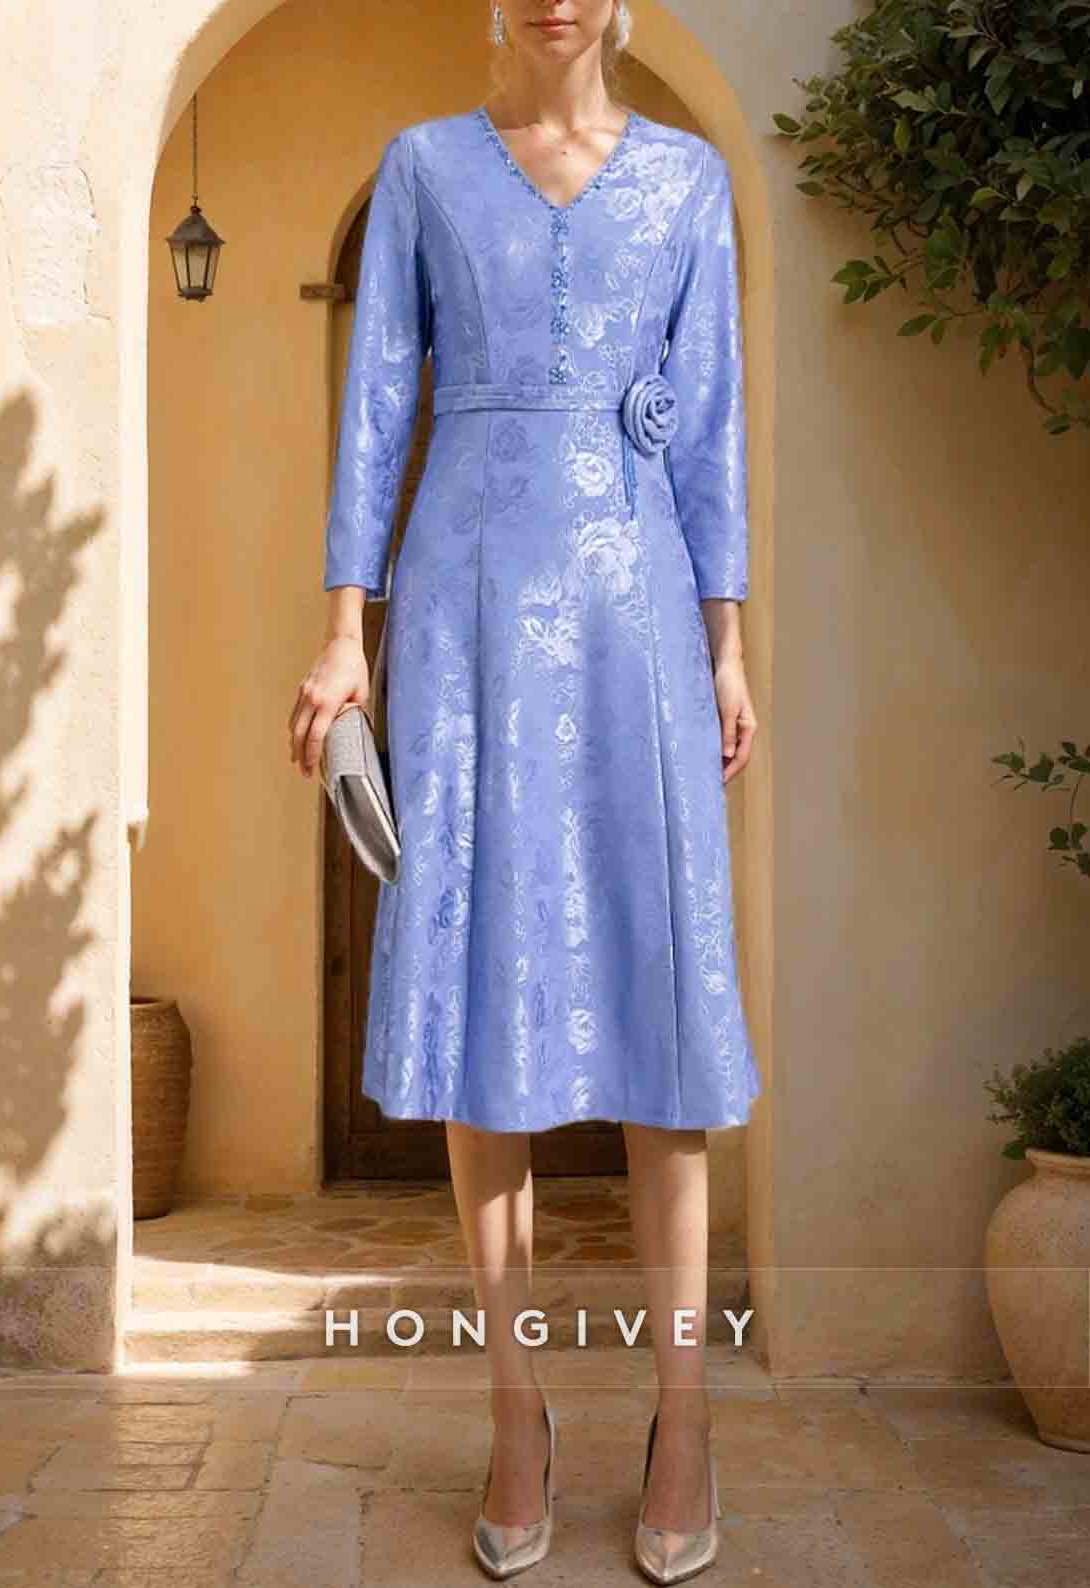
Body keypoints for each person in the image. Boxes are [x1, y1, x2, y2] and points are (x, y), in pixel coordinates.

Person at [289, 1, 760, 1579]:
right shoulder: (423, 169)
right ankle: (515, 1411)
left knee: (662, 999)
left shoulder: (690, 181)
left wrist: (728, 648)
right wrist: (343, 634)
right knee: (486, 993)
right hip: (468, 604)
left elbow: (711, 428)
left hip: (641, 603)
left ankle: (683, 1417)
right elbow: (376, 405)